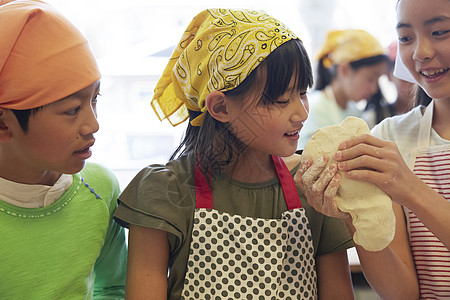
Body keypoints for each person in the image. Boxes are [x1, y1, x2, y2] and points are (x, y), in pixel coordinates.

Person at [114, 8, 355, 300]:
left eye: (302, 93)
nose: (301, 113)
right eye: (281, 99)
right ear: (221, 107)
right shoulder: (165, 193)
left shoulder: (315, 185)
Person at [295, 0, 450, 299]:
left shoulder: (392, 160)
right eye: (406, 37)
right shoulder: (388, 138)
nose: (420, 52)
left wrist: (411, 189)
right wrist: (356, 213)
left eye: (440, 31)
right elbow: (401, 293)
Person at [0, 0, 127, 299]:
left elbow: (112, 287)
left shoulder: (100, 190)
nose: (93, 125)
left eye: (96, 99)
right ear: (4, 124)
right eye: (72, 110)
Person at [297, 29, 389, 149]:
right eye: (371, 79)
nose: (374, 89)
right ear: (344, 69)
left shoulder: (356, 112)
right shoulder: (315, 109)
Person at [363, 41, 416, 128]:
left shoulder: (437, 114)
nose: (409, 79)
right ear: (388, 75)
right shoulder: (373, 119)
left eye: (413, 71)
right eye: (403, 72)